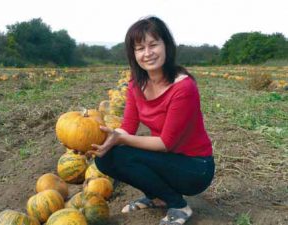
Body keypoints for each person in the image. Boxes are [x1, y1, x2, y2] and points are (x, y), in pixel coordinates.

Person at [88, 16, 215, 225]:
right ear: (133, 54)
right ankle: (156, 197)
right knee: (106, 158)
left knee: (121, 152)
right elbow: (127, 127)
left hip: (194, 167)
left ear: (166, 45)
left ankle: (178, 205)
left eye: (153, 45)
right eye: (139, 48)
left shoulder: (183, 88)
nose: (147, 53)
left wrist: (120, 140)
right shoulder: (137, 84)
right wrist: (99, 141)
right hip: (167, 160)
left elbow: (166, 143)